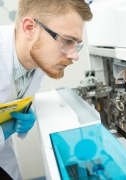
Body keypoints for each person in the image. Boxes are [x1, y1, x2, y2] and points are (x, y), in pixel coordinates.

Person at [0, 0, 93, 179]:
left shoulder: (36, 60)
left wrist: (25, 111)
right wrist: (3, 132)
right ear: (29, 28)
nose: (74, 55)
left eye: (76, 44)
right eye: (67, 41)